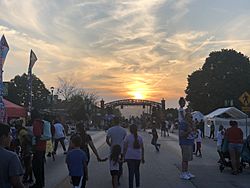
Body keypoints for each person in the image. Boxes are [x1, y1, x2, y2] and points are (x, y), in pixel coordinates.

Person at [0, 123, 24, 188]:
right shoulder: (11, 157)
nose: (11, 138)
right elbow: (15, 182)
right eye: (10, 135)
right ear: (3, 137)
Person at [178, 97, 195, 180]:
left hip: (189, 142)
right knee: (185, 158)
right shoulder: (181, 111)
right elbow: (182, 117)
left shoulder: (183, 111)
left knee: (187, 158)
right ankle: (183, 172)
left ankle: (186, 171)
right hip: (185, 142)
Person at [30, 110, 46, 188]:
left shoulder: (36, 123)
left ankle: (38, 184)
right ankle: (41, 183)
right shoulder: (42, 123)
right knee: (40, 166)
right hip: (43, 147)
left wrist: (34, 146)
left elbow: (37, 135)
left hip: (38, 148)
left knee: (36, 167)